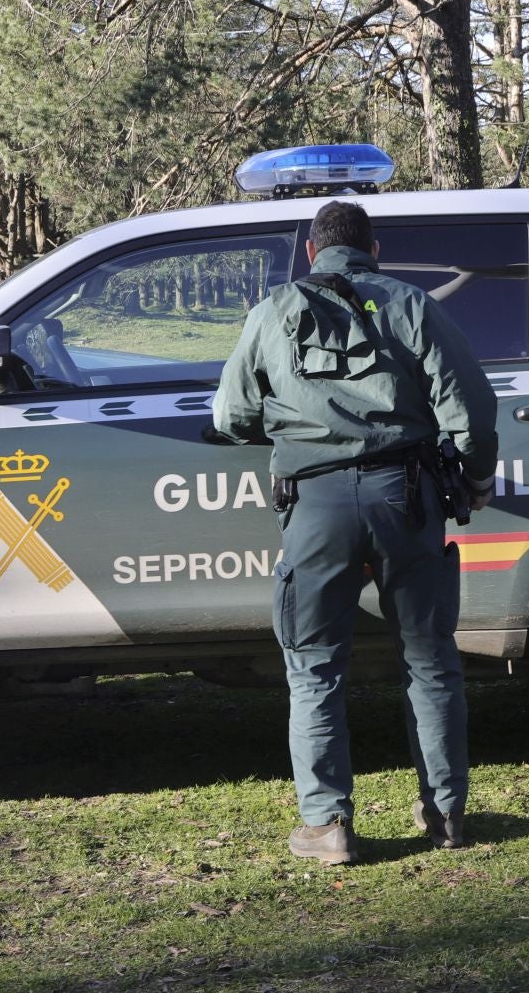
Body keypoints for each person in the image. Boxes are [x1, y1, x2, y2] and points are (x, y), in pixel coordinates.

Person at [213, 200, 499, 867]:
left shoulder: (272, 311)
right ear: (375, 249)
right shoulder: (412, 304)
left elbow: (230, 415)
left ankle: (328, 826)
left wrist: (291, 424)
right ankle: (446, 814)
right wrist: (476, 477)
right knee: (429, 658)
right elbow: (471, 405)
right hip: (406, 497)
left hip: (313, 502)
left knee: (314, 665)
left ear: (311, 252)